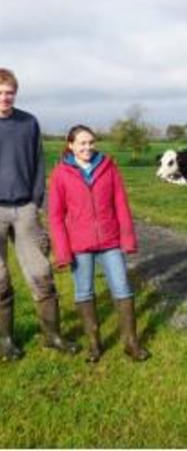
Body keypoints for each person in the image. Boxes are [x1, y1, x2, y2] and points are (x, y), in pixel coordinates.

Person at [48, 124, 150, 362]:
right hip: (79, 245)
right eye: (82, 143)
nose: (88, 147)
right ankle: (94, 345)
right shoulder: (61, 173)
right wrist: (63, 251)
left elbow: (121, 204)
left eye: (91, 142)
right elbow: (55, 216)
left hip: (110, 242)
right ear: (71, 145)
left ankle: (131, 343)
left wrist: (128, 239)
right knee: (84, 292)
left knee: (123, 288)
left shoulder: (108, 167)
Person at [0, 68, 79, 360]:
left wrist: (35, 201)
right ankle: (6, 341)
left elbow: (37, 163)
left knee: (41, 274)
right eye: (1, 93)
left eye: (9, 92)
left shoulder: (28, 123)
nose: (5, 98)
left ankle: (53, 336)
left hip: (25, 209)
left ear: (15, 93)